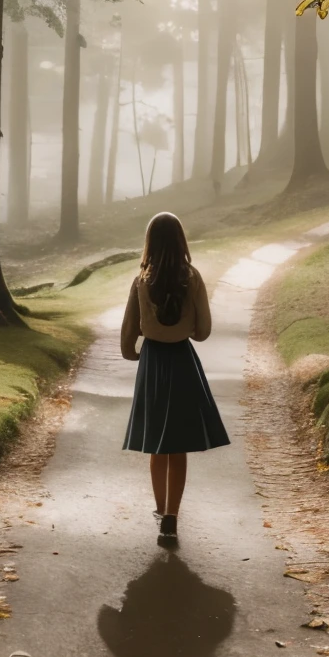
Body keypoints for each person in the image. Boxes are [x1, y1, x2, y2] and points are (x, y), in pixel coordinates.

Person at [120, 212, 229, 544]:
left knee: (157, 442)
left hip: (153, 361)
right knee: (178, 443)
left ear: (150, 242)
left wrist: (133, 352)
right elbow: (204, 331)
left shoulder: (142, 279)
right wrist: (187, 327)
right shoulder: (192, 277)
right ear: (181, 240)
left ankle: (160, 512)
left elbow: (128, 331)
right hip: (182, 360)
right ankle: (171, 516)